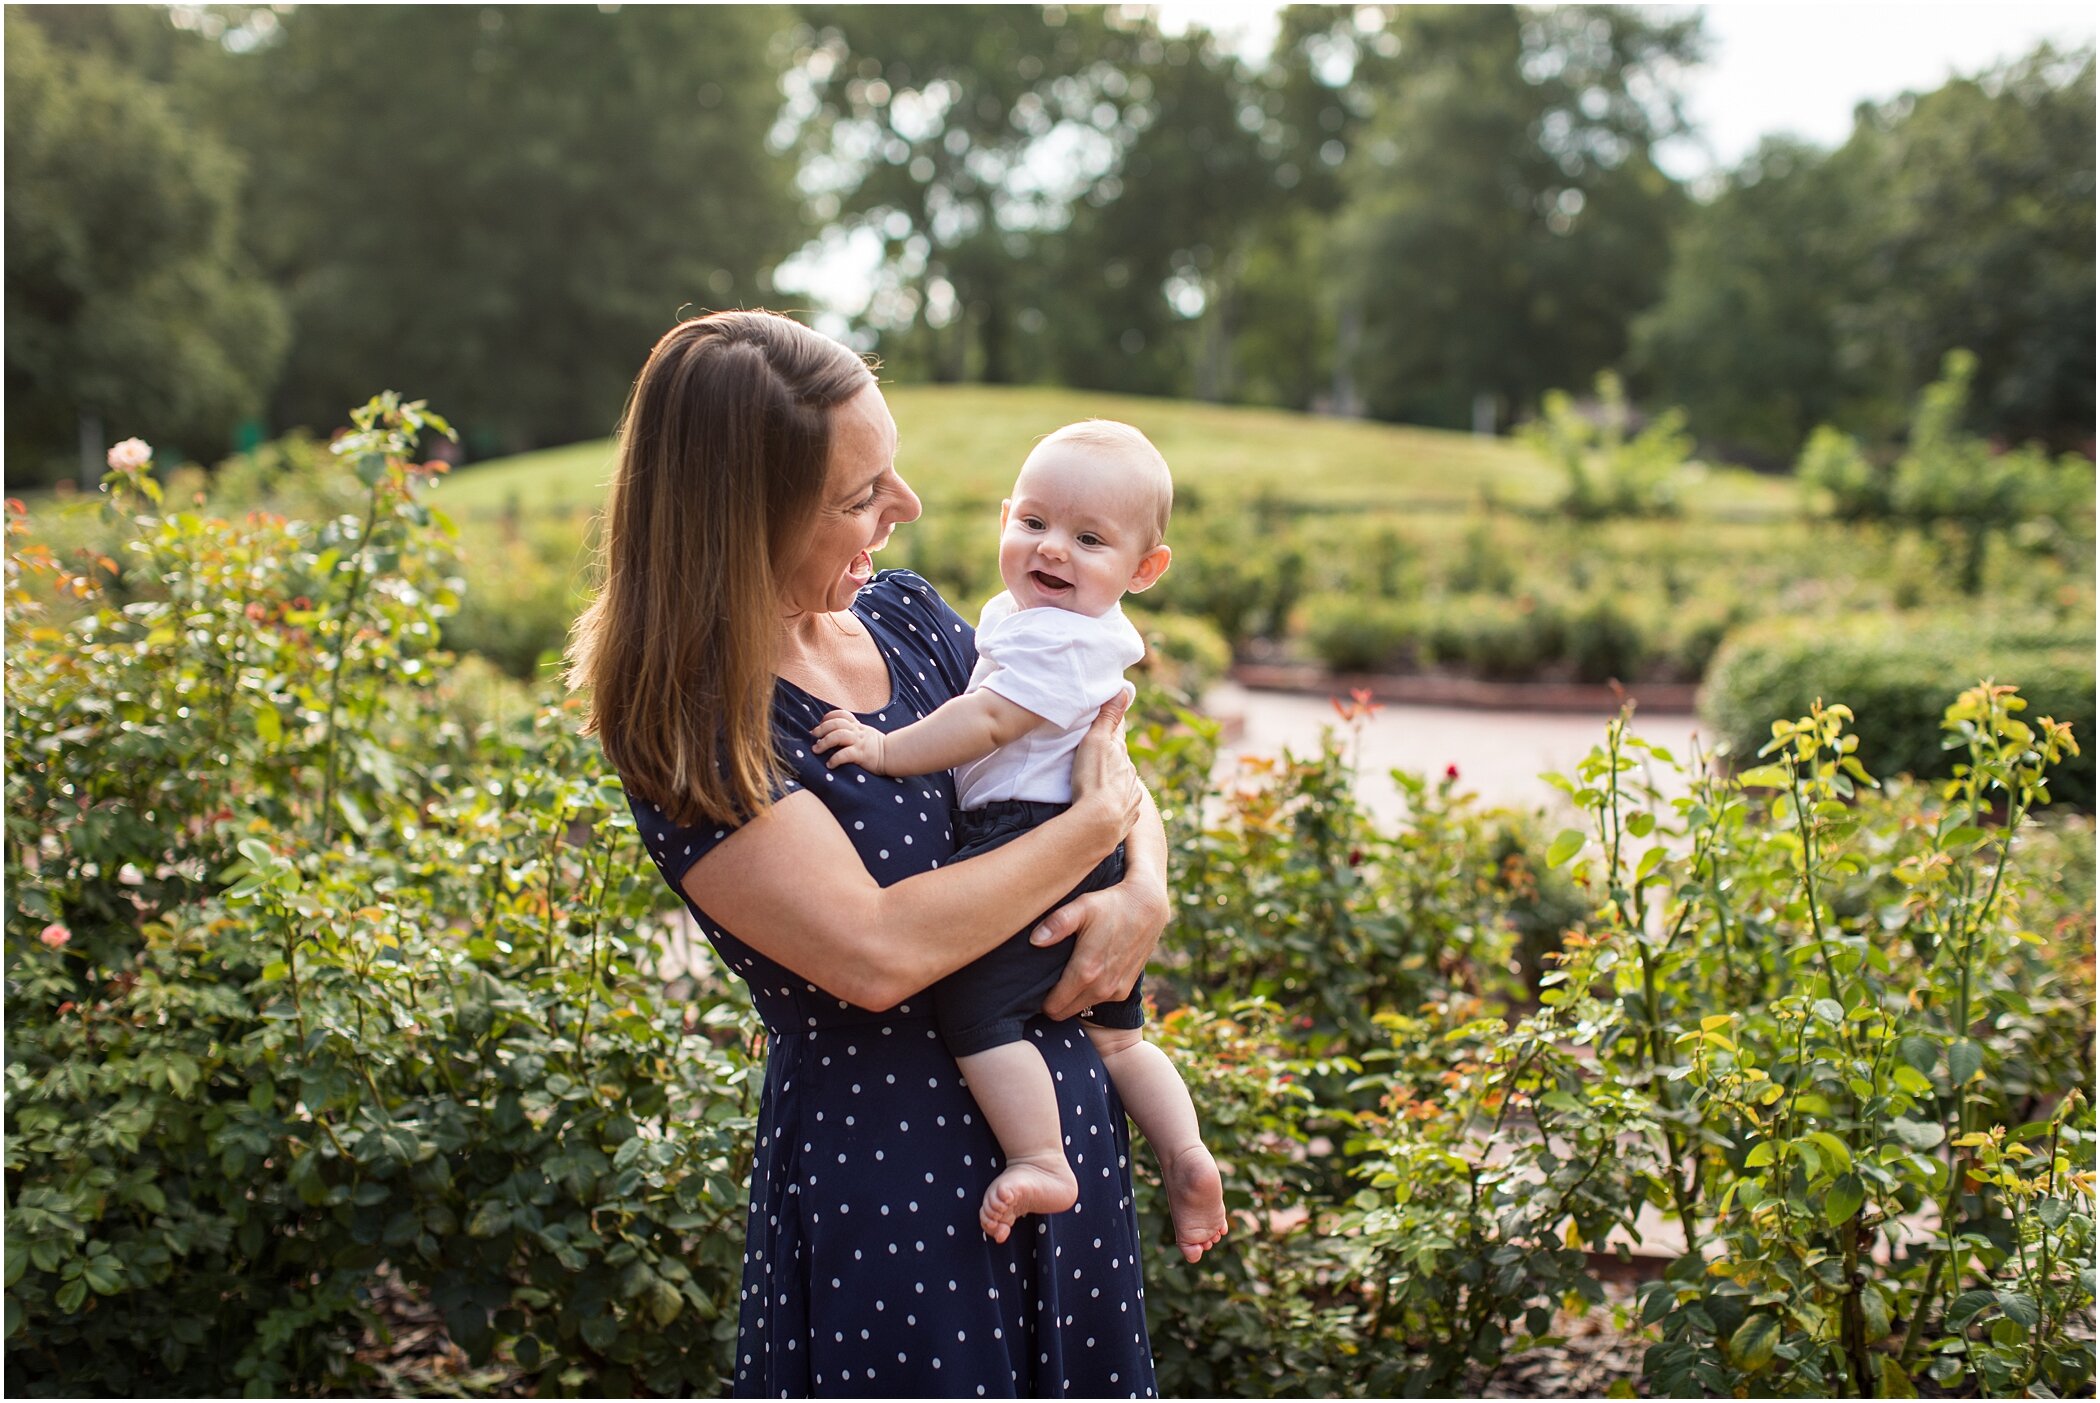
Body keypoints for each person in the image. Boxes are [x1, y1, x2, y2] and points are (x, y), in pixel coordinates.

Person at [567, 310, 1171, 1398]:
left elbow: (1092, 739)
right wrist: (1095, 834)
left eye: (890, 473)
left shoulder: (908, 618)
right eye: (858, 497)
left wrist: (1146, 893)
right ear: (737, 521)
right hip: (897, 1179)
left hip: (1059, 1127)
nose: (908, 509)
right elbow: (878, 951)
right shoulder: (695, 727)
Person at [809, 422, 1226, 1263]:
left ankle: (1042, 1157)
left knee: (974, 1006)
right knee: (1118, 1039)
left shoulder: (1054, 634)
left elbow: (991, 718)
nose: (1054, 551)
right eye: (1034, 523)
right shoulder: (1044, 622)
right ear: (1006, 516)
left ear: (1145, 570)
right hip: (1073, 839)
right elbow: (1108, 779)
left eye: (1090, 538)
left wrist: (887, 748)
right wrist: (1125, 859)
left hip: (1030, 837)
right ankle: (1185, 1153)